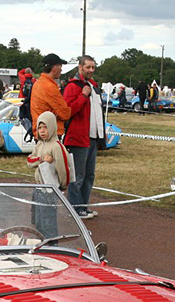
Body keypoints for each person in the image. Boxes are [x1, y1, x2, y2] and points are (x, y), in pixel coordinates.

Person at [63, 55, 105, 219]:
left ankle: (83, 206)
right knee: (78, 176)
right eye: (88, 67)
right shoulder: (73, 87)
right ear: (80, 67)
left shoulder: (94, 87)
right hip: (78, 138)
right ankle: (75, 208)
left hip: (92, 137)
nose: (91, 70)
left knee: (89, 175)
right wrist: (83, 96)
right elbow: (68, 110)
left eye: (93, 67)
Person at [27, 110, 71, 237]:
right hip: (38, 188)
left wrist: (62, 186)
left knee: (48, 223)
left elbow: (64, 170)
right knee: (38, 221)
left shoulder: (56, 147)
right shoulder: (40, 144)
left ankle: (52, 247)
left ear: (52, 127)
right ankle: (42, 245)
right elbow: (29, 161)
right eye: (39, 127)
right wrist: (41, 159)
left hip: (50, 190)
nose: (42, 131)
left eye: (45, 127)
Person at [30, 54, 73, 137]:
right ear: (55, 68)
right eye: (60, 67)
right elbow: (65, 114)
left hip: (40, 131)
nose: (61, 70)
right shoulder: (50, 87)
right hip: (51, 133)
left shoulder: (38, 83)